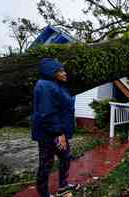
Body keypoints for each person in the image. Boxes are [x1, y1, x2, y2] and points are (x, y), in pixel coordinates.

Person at [32, 58, 80, 197]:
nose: (65, 73)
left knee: (65, 157)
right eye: (61, 70)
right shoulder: (44, 86)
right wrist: (59, 133)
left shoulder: (55, 85)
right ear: (51, 72)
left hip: (58, 131)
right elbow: (47, 113)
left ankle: (63, 187)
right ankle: (44, 193)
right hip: (49, 133)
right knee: (46, 163)